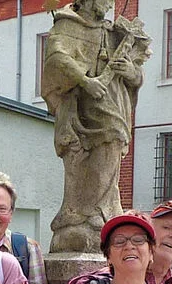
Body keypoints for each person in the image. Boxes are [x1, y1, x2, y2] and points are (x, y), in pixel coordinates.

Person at [41, 0, 151, 251]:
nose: (108, 4)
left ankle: (103, 211)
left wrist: (130, 72)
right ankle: (81, 214)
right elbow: (57, 59)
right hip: (81, 105)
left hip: (113, 100)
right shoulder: (68, 24)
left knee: (114, 140)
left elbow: (137, 74)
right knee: (94, 148)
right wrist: (84, 80)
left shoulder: (113, 32)